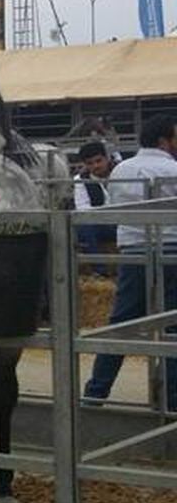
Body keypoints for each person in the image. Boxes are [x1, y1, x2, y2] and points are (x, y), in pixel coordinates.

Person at [83, 115, 177, 409]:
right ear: (164, 140)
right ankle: (172, 402)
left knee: (121, 323)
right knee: (173, 327)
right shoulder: (174, 168)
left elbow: (114, 212)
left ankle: (95, 394)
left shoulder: (122, 169)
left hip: (133, 251)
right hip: (173, 250)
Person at [74, 141, 115, 273]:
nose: (96, 166)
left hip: (124, 222)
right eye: (90, 163)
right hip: (101, 224)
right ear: (85, 165)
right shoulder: (80, 180)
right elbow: (83, 209)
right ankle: (100, 270)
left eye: (99, 161)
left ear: (107, 158)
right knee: (84, 227)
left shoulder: (121, 172)